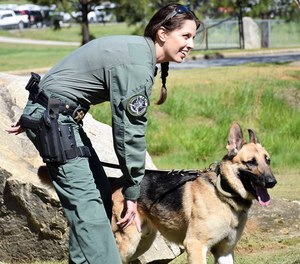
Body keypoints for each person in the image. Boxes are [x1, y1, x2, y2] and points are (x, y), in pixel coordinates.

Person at [6, 3, 201, 264]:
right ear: (163, 34)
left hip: (58, 118)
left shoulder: (136, 52)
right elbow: (129, 133)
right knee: (91, 213)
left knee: (98, 197)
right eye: (185, 36)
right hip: (56, 120)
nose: (191, 44)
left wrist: (37, 110)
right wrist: (133, 193)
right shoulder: (137, 64)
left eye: (193, 38)